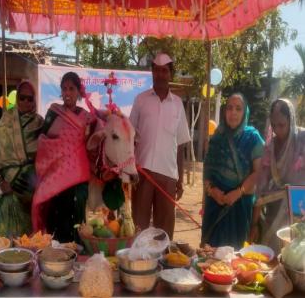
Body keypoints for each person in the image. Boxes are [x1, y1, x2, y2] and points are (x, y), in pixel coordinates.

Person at [129, 53, 190, 239]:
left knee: (164, 233)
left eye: (164, 71)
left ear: (170, 74)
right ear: (152, 73)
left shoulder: (178, 104)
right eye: (156, 70)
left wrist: (179, 179)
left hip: (168, 176)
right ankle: (138, 265)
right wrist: (130, 171)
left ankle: (163, 267)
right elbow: (130, 137)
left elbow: (180, 144)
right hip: (142, 174)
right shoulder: (141, 100)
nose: (160, 74)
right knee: (139, 228)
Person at [32, 72, 96, 243]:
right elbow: (43, 141)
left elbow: (92, 143)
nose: (67, 93)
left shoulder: (86, 117)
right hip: (56, 174)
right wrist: (55, 152)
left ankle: (77, 250)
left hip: (78, 176)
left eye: (72, 89)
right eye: (64, 89)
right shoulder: (53, 113)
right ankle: (57, 249)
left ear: (78, 92)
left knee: (77, 212)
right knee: (56, 211)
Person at [202, 93, 264, 249]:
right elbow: (208, 171)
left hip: (239, 208)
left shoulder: (253, 138)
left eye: (238, 108)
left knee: (235, 259)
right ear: (225, 112)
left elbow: (259, 172)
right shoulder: (217, 137)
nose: (233, 113)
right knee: (210, 256)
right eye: (229, 108)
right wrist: (212, 191)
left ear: (245, 112)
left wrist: (238, 192)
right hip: (215, 205)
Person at [0, 81, 44, 237]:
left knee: (29, 240)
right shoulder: (6, 121)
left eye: (30, 98)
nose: (26, 102)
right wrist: (2, 183)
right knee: (7, 237)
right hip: (8, 188)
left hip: (31, 191)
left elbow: (47, 154)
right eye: (22, 98)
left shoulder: (40, 123)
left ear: (34, 100)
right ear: (17, 98)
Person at [250, 98, 305, 251]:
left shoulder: (302, 140)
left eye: (282, 125)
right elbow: (261, 188)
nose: (277, 130)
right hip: (273, 211)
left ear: (291, 120)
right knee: (271, 254)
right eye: (273, 125)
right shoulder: (270, 146)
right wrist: (254, 224)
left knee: (294, 256)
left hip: (298, 212)